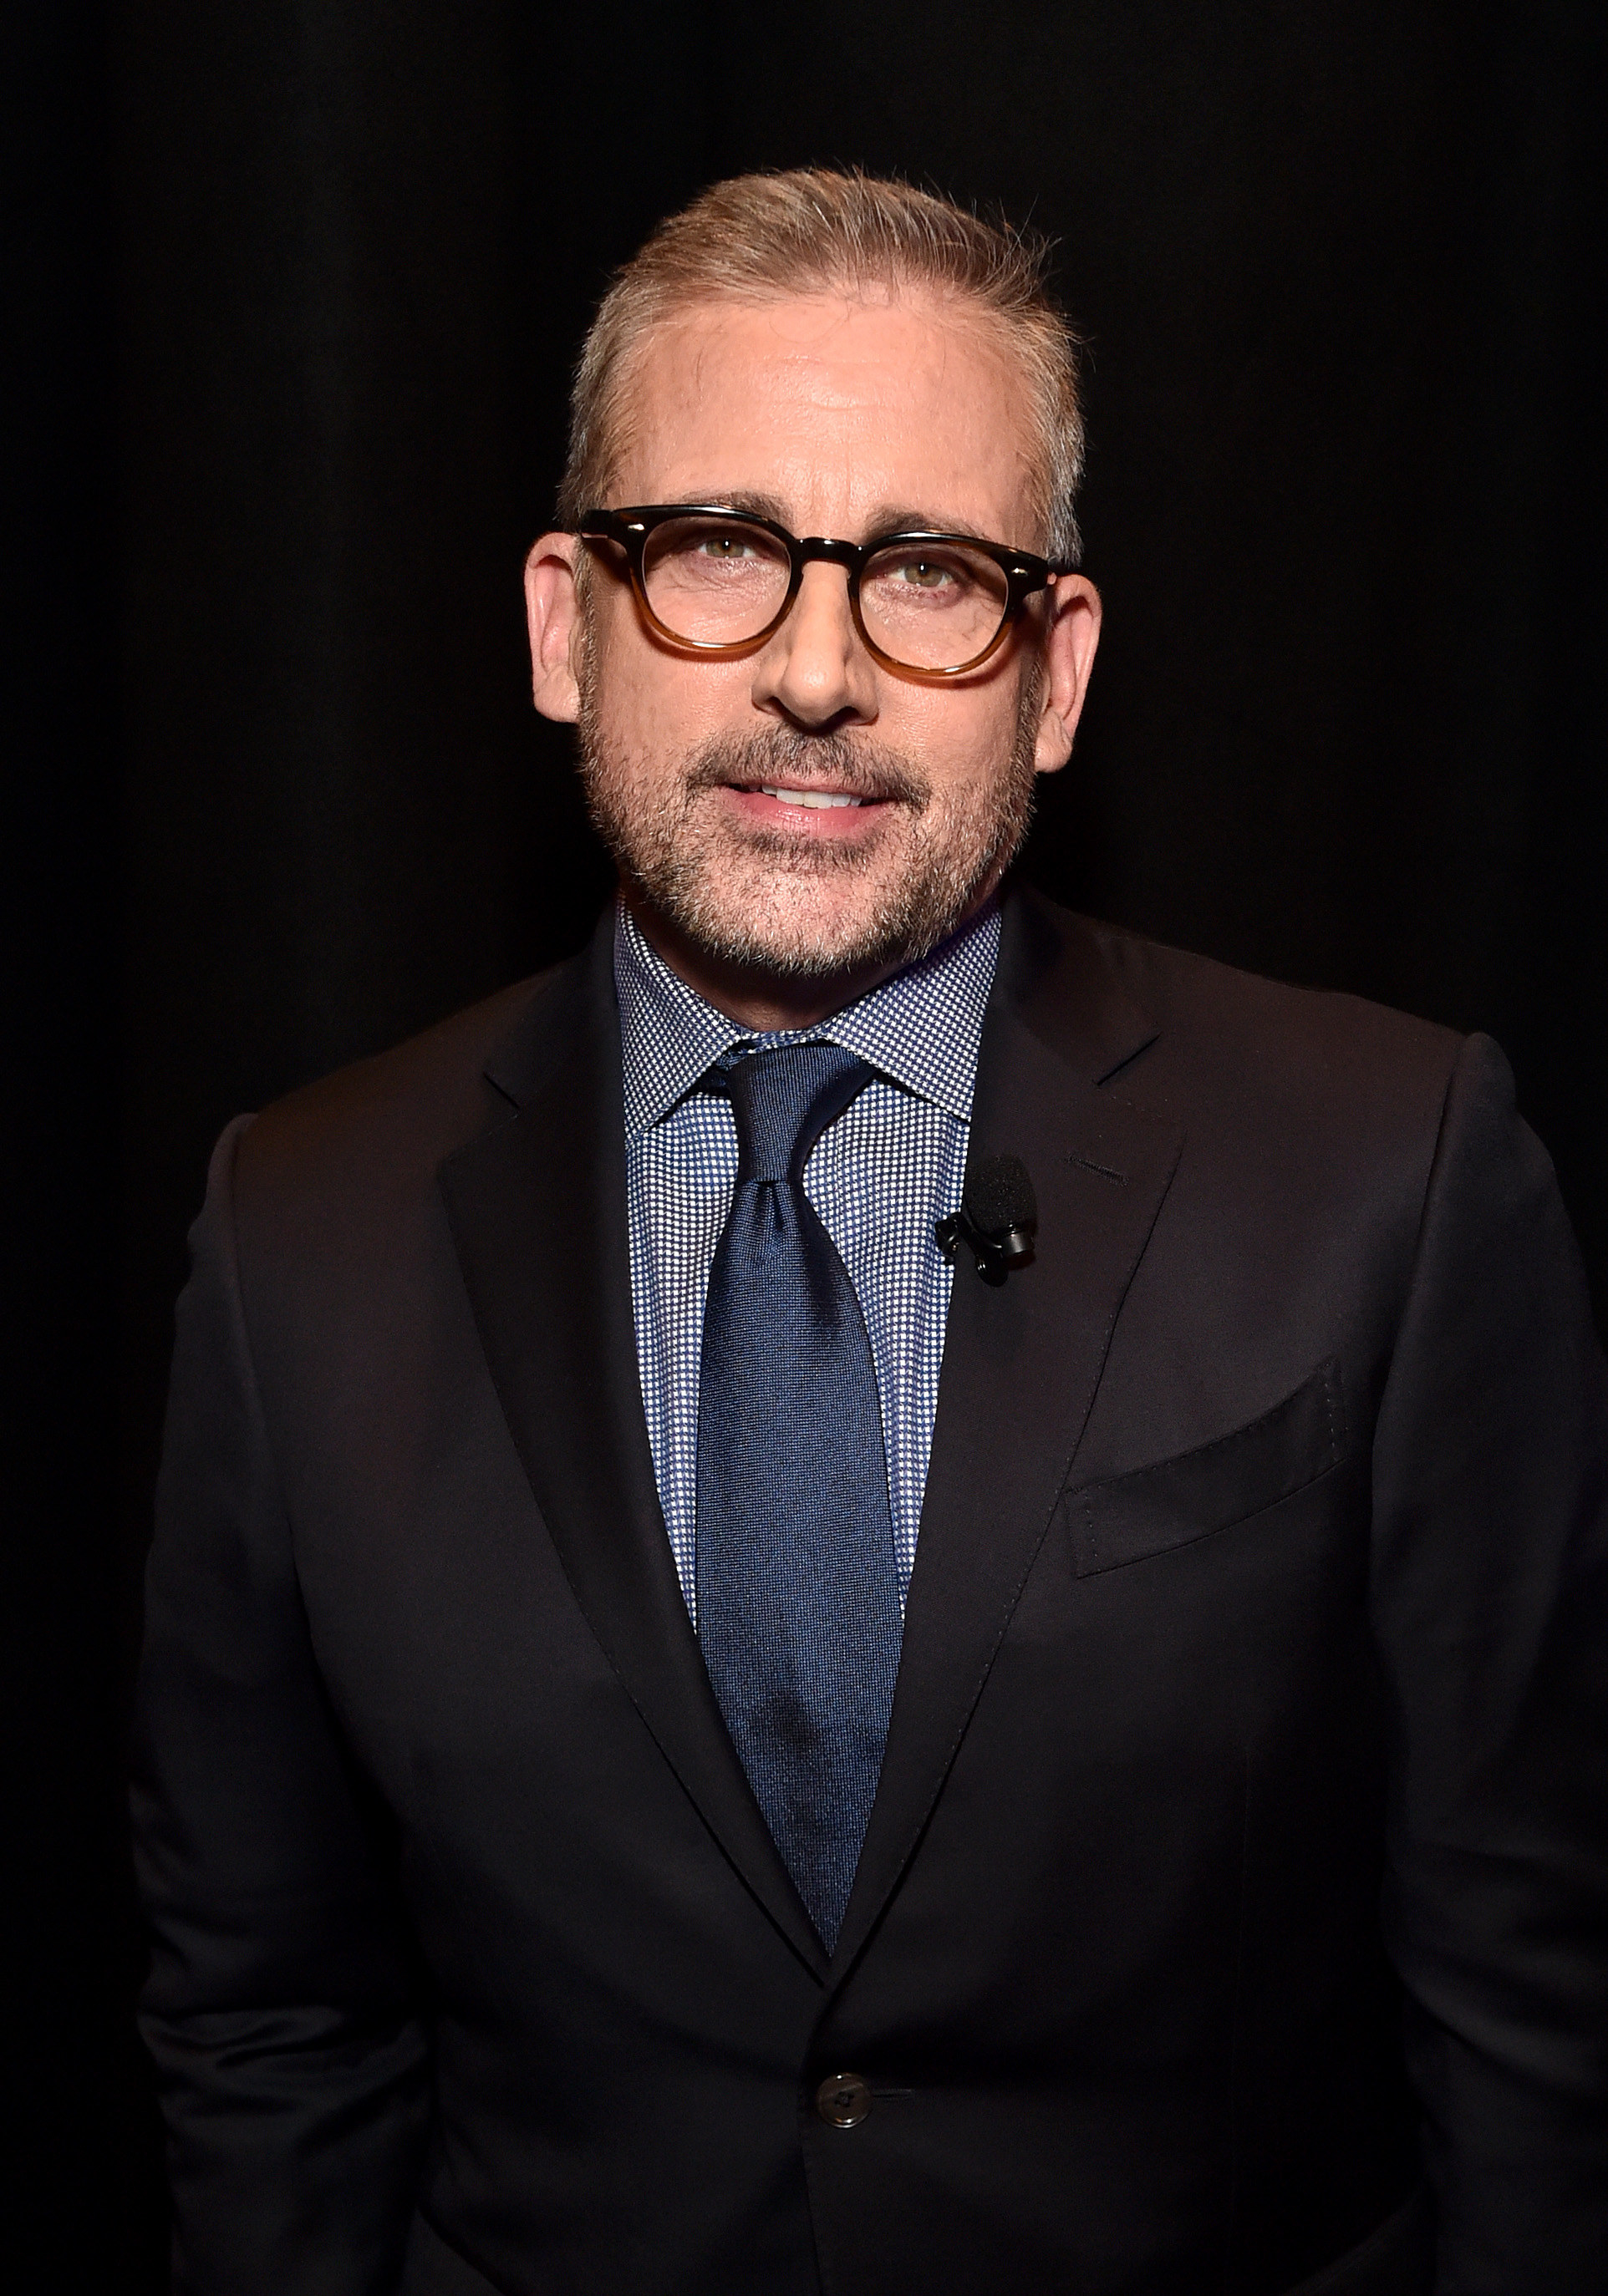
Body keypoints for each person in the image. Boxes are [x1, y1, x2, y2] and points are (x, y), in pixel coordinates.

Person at [133, 170, 1608, 2296]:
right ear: (563, 621)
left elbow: (1530, 1999)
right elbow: (267, 2023)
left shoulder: (1393, 1166)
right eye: (717, 550)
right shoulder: (297, 1235)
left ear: (1055, 670)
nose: (816, 671)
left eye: (927, 572)